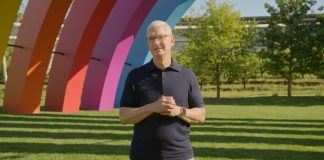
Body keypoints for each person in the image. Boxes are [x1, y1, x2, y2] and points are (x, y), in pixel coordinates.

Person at [119, 20, 205, 160]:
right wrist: (153, 107)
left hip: (181, 155)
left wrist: (179, 110)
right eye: (151, 38)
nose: (156, 42)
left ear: (171, 40)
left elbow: (201, 115)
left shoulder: (187, 75)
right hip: (142, 155)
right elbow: (123, 117)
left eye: (161, 37)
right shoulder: (135, 76)